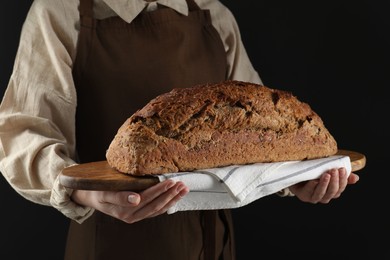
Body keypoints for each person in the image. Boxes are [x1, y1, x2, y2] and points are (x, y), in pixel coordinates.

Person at [0, 0, 359, 259]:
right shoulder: (59, 12)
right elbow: (20, 135)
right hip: (113, 242)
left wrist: (296, 179)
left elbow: (261, 133)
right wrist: (85, 194)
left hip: (213, 243)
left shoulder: (213, 16)